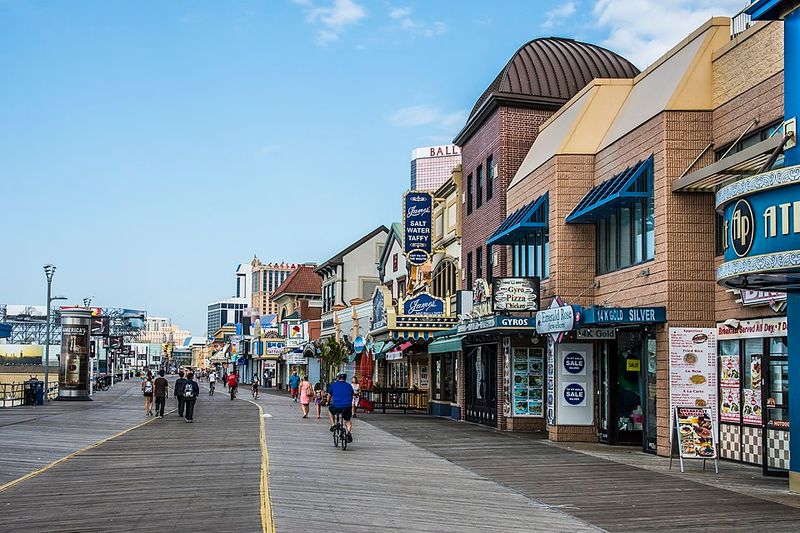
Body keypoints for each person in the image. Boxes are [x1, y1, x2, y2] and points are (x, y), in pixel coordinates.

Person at [327, 372, 354, 442]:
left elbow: (329, 396)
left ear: (338, 378)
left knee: (330, 411)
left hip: (337, 406)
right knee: (348, 420)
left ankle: (333, 425)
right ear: (345, 378)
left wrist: (328, 402)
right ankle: (348, 433)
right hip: (347, 406)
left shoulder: (333, 385)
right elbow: (352, 395)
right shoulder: (349, 386)